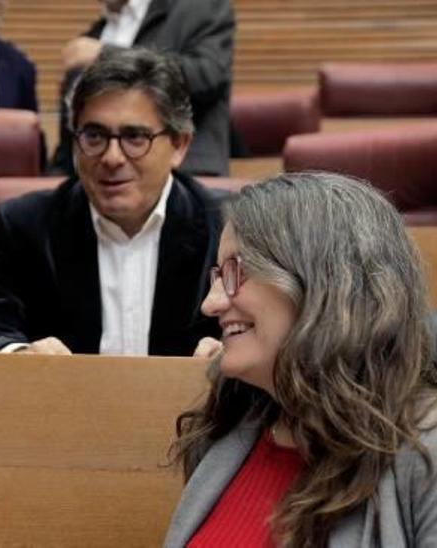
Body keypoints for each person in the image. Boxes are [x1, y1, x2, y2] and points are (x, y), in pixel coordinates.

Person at [163, 172, 437, 546]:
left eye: (237, 271)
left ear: (323, 282)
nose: (210, 303)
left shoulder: (426, 452)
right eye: (218, 274)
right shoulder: (231, 426)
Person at [0, 47, 222, 355]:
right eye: (94, 136)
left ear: (179, 145)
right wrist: (19, 355)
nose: (112, 157)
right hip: (62, 402)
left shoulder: (228, 229)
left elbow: (273, 336)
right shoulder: (25, 224)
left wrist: (233, 354)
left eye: (134, 138)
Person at [50, 0, 234, 177]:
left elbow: (206, 75)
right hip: (95, 183)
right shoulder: (96, 33)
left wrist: (105, 54)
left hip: (183, 175)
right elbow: (71, 137)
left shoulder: (200, 6)